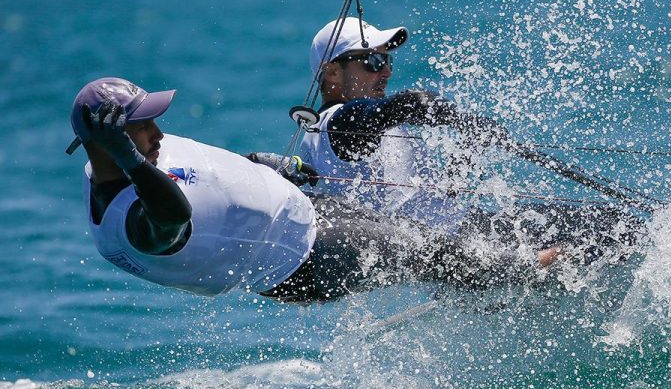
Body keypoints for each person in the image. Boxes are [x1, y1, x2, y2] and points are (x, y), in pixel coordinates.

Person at [68, 77, 559, 303]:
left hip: (303, 211)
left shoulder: (122, 163)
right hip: (303, 258)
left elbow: (200, 170)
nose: (156, 135)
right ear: (107, 144)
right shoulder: (130, 223)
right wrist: (131, 156)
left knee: (425, 238)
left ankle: (487, 279)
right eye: (140, 130)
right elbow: (172, 215)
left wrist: (261, 165)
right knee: (426, 251)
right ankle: (535, 276)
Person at [300, 17, 644, 259]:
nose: (386, 70)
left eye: (387, 60)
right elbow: (394, 110)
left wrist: (469, 143)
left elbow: (432, 196)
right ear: (332, 71)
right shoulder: (337, 125)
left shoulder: (362, 126)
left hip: (466, 235)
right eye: (373, 61)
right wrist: (426, 107)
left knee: (614, 224)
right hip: (462, 244)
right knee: (620, 227)